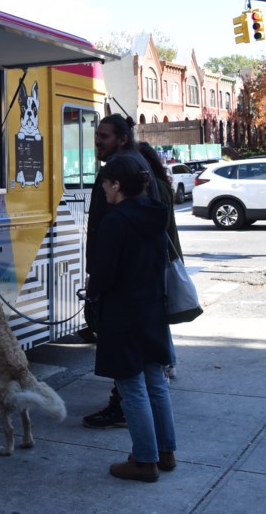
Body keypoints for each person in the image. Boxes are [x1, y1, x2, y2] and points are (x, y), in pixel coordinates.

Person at [90, 153, 176, 482]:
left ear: (116, 185)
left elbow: (105, 272)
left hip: (123, 311)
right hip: (153, 307)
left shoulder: (116, 221)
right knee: (155, 382)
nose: (104, 192)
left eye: (106, 185)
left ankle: (144, 460)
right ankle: (165, 452)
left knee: (131, 386)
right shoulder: (156, 213)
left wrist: (93, 287)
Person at [82, 114, 158, 429]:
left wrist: (97, 281)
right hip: (136, 281)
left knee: (124, 358)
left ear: (122, 139)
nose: (98, 141)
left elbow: (114, 230)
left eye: (105, 136)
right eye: (97, 135)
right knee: (145, 366)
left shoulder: (121, 170)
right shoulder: (133, 162)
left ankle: (123, 409)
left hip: (121, 282)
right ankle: (153, 439)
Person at [137, 142, 182, 380]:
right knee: (160, 317)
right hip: (168, 255)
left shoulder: (155, 188)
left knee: (159, 318)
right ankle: (169, 361)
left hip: (163, 258)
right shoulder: (162, 185)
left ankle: (168, 362)